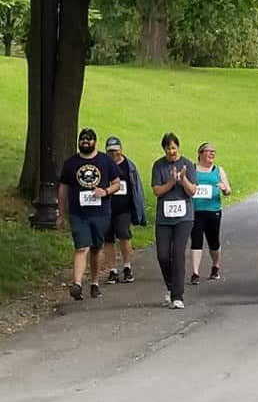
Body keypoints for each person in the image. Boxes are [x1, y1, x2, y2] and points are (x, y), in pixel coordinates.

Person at [58, 128, 122, 300]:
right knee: (81, 247)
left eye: (88, 140)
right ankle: (77, 284)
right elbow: (63, 188)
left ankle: (94, 282)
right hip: (78, 213)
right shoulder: (70, 163)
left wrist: (106, 191)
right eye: (82, 140)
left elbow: (117, 183)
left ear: (95, 141)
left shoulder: (105, 161)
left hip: (100, 213)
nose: (85, 142)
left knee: (95, 249)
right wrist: (61, 213)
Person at [152, 132, 197, 309]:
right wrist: (171, 181)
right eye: (167, 148)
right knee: (163, 255)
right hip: (164, 218)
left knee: (178, 253)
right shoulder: (158, 165)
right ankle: (171, 287)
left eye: (173, 147)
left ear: (178, 147)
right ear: (163, 149)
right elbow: (157, 191)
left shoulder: (187, 164)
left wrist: (183, 178)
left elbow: (192, 191)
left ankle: (178, 296)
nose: (171, 151)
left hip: (184, 217)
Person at [102, 136, 147, 285]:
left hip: (124, 208)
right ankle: (112, 270)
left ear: (121, 150)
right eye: (110, 152)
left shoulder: (129, 166)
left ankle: (127, 267)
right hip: (106, 207)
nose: (113, 154)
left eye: (115, 151)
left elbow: (137, 187)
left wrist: (139, 208)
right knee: (107, 238)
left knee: (123, 234)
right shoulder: (103, 165)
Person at [189, 142, 232, 284]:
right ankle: (195, 272)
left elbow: (228, 191)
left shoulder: (218, 170)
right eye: (208, 151)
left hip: (213, 210)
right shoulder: (193, 169)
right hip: (196, 210)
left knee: (213, 241)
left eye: (213, 152)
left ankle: (215, 265)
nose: (211, 154)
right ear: (200, 153)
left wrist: (224, 188)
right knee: (196, 240)